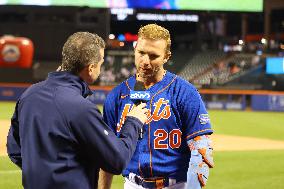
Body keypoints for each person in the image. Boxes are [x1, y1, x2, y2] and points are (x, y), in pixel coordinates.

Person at [6, 32, 149, 189]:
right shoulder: (81, 107)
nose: (100, 69)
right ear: (91, 68)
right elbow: (117, 160)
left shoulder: (29, 95)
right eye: (101, 63)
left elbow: (15, 151)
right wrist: (134, 121)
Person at [99, 24, 214, 189]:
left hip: (174, 185)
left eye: (153, 56)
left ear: (166, 56)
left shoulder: (184, 93)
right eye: (141, 53)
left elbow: (202, 148)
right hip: (132, 184)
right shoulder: (117, 95)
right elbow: (106, 153)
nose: (145, 61)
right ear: (135, 49)